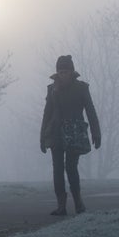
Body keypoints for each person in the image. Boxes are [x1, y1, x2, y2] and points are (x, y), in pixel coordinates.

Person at [40, 54, 101, 215]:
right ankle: (61, 206)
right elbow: (47, 113)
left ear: (72, 71)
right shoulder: (52, 89)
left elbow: (90, 110)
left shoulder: (81, 88)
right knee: (57, 169)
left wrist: (96, 132)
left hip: (75, 133)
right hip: (55, 134)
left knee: (71, 168)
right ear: (57, 72)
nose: (63, 74)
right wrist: (42, 137)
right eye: (60, 71)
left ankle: (78, 202)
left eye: (66, 71)